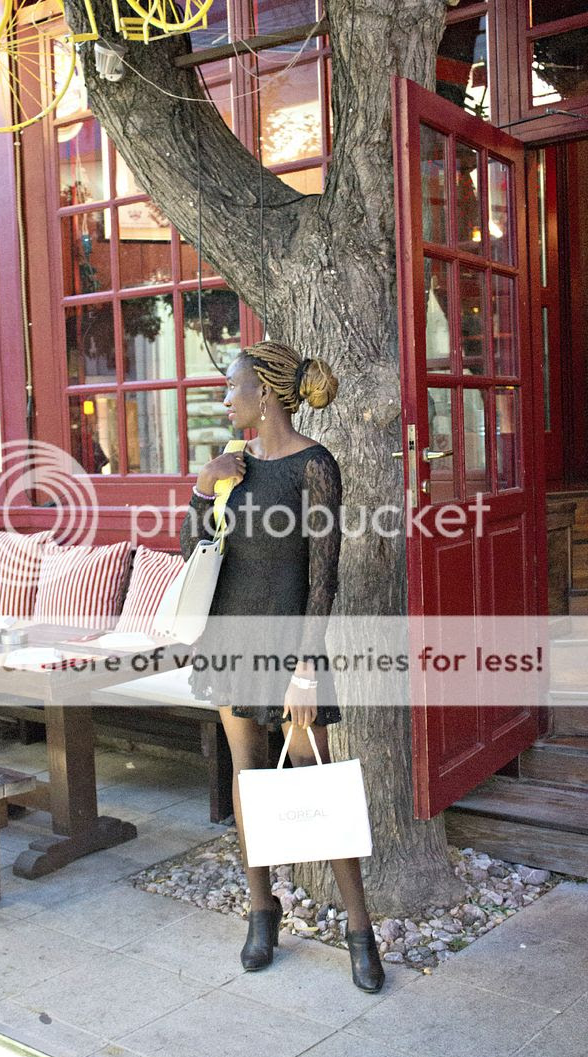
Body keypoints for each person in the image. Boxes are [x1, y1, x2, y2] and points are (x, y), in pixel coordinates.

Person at [180, 340, 384, 993]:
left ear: (264, 392)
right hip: (230, 640)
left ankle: (360, 931)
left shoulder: (314, 466)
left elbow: (323, 580)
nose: (224, 399)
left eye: (231, 387)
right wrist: (202, 488)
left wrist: (304, 670)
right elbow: (195, 552)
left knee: (315, 782)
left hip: (291, 650)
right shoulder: (232, 464)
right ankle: (261, 911)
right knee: (246, 780)